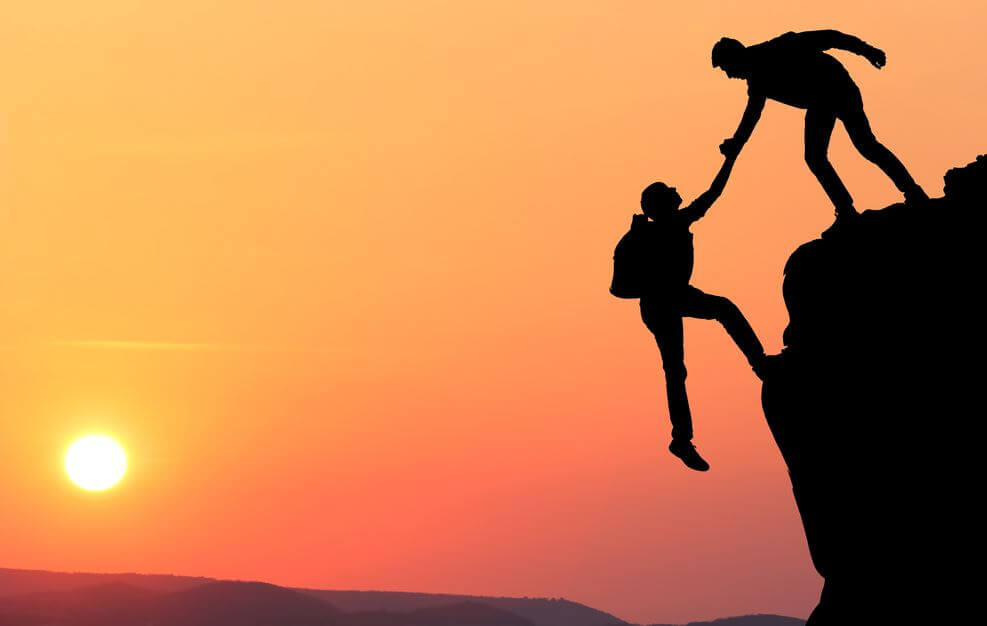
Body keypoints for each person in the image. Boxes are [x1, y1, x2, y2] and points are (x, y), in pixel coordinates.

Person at [712, 30, 928, 232]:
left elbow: (829, 37)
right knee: (828, 154)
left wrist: (866, 50)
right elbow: (752, 115)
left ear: (737, 56)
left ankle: (906, 194)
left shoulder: (777, 48)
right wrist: (736, 142)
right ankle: (850, 208)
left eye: (726, 68)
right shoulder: (758, 81)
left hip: (836, 88)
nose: (729, 75)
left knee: (861, 147)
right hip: (820, 101)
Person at [636, 153, 770, 471]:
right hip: (662, 303)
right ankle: (682, 438)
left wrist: (731, 159)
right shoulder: (669, 226)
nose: (676, 193)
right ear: (663, 205)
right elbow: (713, 193)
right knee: (677, 367)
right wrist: (732, 158)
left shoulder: (671, 224)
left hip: (671, 298)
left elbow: (712, 194)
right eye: (669, 193)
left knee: (720, 314)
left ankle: (682, 438)